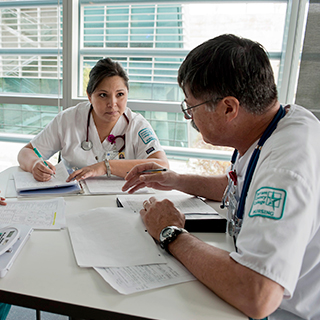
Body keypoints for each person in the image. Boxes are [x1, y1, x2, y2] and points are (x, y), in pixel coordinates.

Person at [122, 34, 320, 320]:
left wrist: (170, 233)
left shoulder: (285, 169)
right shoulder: (277, 125)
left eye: (191, 108)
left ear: (229, 107)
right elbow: (241, 185)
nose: (189, 118)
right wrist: (175, 179)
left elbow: (257, 294)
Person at [17, 58, 168, 182]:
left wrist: (104, 167)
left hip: (121, 202)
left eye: (120, 94)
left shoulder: (136, 125)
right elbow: (26, 152)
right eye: (103, 95)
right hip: (74, 199)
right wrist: (35, 164)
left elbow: (162, 167)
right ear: (90, 96)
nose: (112, 103)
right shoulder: (68, 119)